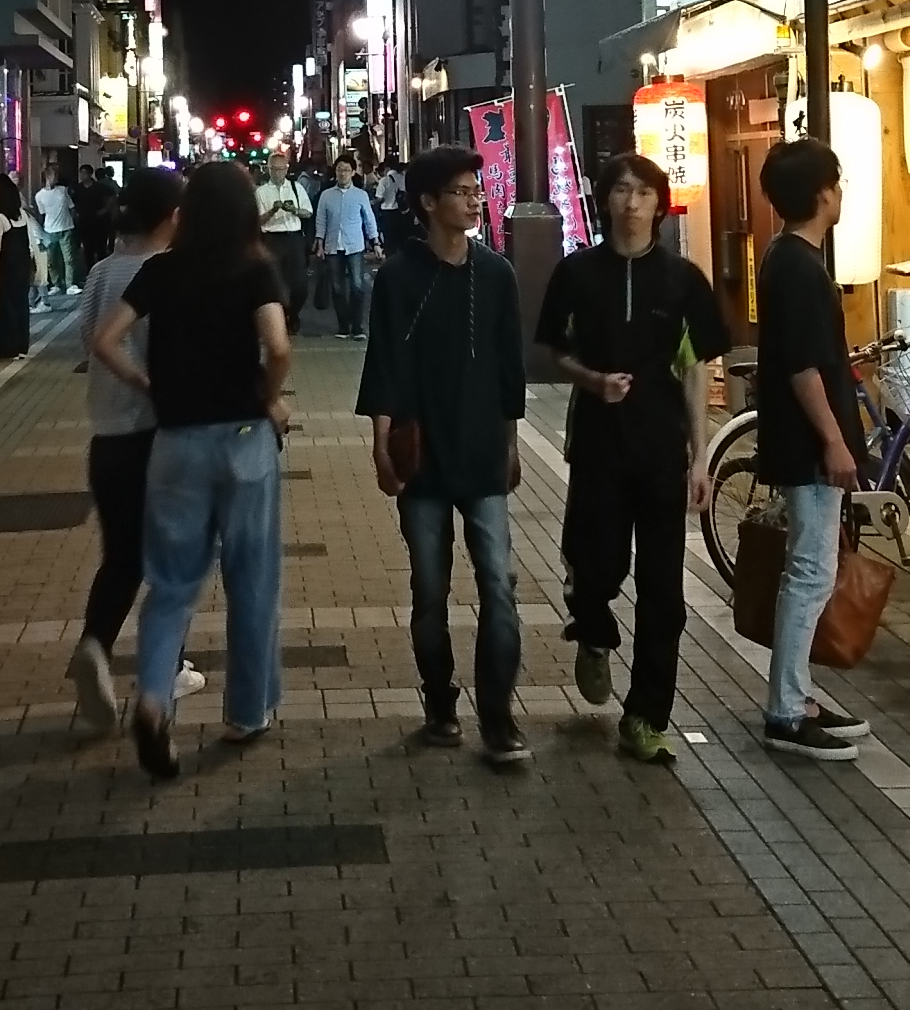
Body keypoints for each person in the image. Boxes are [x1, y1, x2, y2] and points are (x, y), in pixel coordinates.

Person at [92, 161, 293, 780]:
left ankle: (153, 699)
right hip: (243, 438)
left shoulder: (160, 270)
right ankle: (246, 712)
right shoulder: (254, 267)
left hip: (175, 442)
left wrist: (146, 383)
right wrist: (269, 396)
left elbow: (105, 339)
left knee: (172, 582)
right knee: (252, 578)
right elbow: (279, 346)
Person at [536, 151, 732, 764]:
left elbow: (698, 368)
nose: (631, 202)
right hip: (597, 441)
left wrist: (701, 456)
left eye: (642, 191)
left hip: (659, 449)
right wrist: (591, 381)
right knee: (595, 565)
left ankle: (647, 717)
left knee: (664, 593)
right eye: (620, 189)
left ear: (659, 202)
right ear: (605, 199)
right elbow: (550, 350)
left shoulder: (682, 280)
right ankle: (592, 630)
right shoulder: (577, 273)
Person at [360, 145, 534, 766]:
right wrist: (382, 447)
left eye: (476, 191)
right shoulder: (398, 276)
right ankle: (439, 700)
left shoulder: (497, 274)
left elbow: (511, 370)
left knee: (498, 585)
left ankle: (498, 715)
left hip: (484, 449)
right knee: (430, 587)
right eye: (461, 192)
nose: (473, 201)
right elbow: (382, 363)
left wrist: (512, 444)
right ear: (428, 202)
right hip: (422, 453)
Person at [67, 173, 203, 731]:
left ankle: (96, 645)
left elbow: (87, 340)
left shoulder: (101, 272)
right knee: (174, 557)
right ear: (173, 216)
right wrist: (151, 383)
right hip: (161, 433)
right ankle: (166, 666)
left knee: (121, 557)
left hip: (108, 438)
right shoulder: (173, 271)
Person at [751, 140, 870, 762]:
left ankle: (795, 693)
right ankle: (787, 712)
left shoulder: (788, 258)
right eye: (838, 183)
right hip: (808, 443)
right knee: (809, 572)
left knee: (810, 570)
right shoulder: (797, 265)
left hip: (804, 440)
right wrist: (833, 440)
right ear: (822, 194)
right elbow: (802, 367)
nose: (841, 193)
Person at [312, 156, 380, 338]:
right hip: (332, 246)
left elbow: (369, 219)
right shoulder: (326, 195)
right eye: (339, 170)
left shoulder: (360, 195)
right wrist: (319, 241)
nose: (342, 173)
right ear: (335, 172)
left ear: (352, 172)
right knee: (337, 287)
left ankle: (357, 326)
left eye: (346, 170)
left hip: (354, 245)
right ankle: (343, 325)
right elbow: (321, 220)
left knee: (357, 286)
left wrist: (375, 242)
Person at [255, 150, 314, 322]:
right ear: (268, 169)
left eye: (281, 169)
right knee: (274, 282)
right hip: (272, 239)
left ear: (287, 169)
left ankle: (293, 313)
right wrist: (273, 210)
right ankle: (280, 318)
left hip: (294, 238)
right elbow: (257, 220)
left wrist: (293, 210)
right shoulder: (261, 192)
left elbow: (308, 212)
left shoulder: (296, 188)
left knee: (300, 283)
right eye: (274, 169)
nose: (278, 172)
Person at [0, 176, 37, 360]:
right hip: (22, 265)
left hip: (6, 267)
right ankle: (21, 346)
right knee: (21, 305)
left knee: (4, 307)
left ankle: (5, 348)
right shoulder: (21, 214)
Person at [33, 168, 79, 293]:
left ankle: (70, 284)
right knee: (51, 260)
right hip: (49, 229)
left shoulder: (63, 190)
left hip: (66, 227)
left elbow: (71, 207)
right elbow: (41, 214)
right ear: (47, 177)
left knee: (68, 259)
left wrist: (73, 220)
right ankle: (56, 284)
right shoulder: (39, 196)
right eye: (54, 175)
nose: (56, 177)